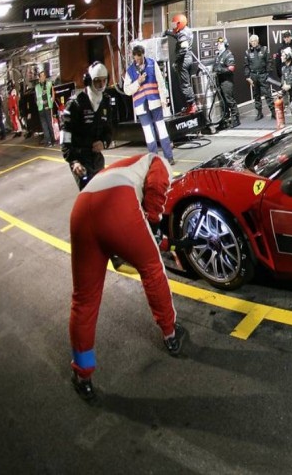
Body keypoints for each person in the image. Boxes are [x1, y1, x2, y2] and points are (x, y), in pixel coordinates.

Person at [68, 153, 186, 402]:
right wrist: (154, 221)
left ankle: (83, 375)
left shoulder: (124, 168)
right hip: (116, 204)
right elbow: (155, 187)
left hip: (80, 210)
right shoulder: (158, 159)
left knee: (84, 300)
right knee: (152, 270)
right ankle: (170, 334)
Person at [61, 62, 114, 190]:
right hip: (80, 160)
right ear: (89, 80)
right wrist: (73, 161)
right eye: (97, 81)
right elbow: (65, 135)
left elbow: (109, 129)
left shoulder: (106, 101)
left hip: (97, 159)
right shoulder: (75, 103)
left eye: (104, 80)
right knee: (89, 196)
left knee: (103, 193)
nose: (101, 85)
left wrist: (104, 142)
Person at [123, 44, 175, 164]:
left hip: (154, 102)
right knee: (148, 133)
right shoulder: (130, 71)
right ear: (133, 57)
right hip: (141, 106)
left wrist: (164, 99)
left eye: (140, 58)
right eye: (136, 58)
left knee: (161, 129)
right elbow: (127, 90)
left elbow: (160, 82)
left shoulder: (152, 63)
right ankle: (154, 159)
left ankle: (169, 157)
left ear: (143, 54)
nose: (139, 61)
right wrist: (138, 82)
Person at [165, 13, 197, 115]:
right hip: (188, 59)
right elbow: (177, 34)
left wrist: (176, 62)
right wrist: (168, 32)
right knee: (186, 84)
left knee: (184, 85)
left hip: (183, 61)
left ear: (180, 23)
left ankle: (192, 106)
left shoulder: (183, 34)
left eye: (175, 24)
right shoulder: (186, 30)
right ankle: (190, 105)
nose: (173, 26)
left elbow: (183, 49)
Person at [212, 37, 239, 128]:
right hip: (219, 81)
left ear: (225, 45)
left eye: (221, 43)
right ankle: (225, 120)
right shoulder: (218, 56)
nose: (218, 45)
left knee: (229, 100)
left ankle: (236, 119)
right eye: (218, 43)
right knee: (223, 102)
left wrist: (220, 69)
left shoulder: (228, 55)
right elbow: (215, 67)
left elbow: (231, 68)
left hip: (227, 81)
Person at [244, 33, 270, 121]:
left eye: (255, 41)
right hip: (253, 76)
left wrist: (268, 74)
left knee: (268, 94)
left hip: (263, 75)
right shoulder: (247, 52)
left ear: (258, 41)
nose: (253, 43)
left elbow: (269, 62)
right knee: (256, 95)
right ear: (250, 43)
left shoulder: (264, 49)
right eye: (251, 41)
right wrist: (248, 77)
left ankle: (273, 112)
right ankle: (259, 113)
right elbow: (246, 65)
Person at [35, 70, 56, 147]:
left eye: (44, 75)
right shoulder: (37, 87)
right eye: (41, 76)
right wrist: (38, 104)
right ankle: (49, 141)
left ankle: (53, 140)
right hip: (41, 108)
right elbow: (36, 98)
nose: (43, 77)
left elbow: (53, 93)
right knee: (44, 126)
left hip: (48, 107)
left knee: (49, 125)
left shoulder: (49, 84)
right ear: (39, 78)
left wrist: (52, 100)